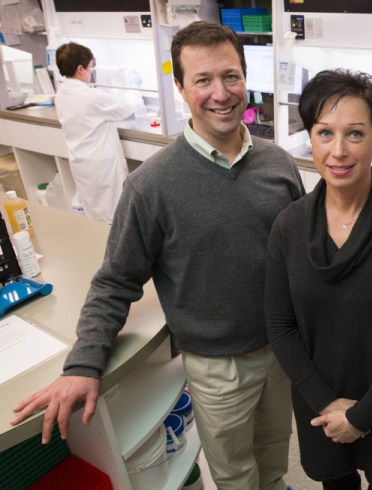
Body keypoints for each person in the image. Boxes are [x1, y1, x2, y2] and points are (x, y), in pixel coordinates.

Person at [11, 21, 304, 490]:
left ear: (247, 80)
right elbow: (115, 280)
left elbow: (299, 259)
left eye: (230, 76)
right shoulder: (152, 185)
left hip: (283, 352)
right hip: (217, 367)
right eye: (203, 80)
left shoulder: (279, 164)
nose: (220, 93)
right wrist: (84, 363)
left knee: (273, 455)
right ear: (181, 88)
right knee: (235, 474)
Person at [264, 69, 372, 490]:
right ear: (310, 137)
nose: (338, 151)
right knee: (336, 484)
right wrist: (329, 404)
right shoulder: (288, 226)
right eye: (324, 133)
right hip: (318, 402)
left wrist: (360, 416)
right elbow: (280, 325)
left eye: (356, 134)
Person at [54, 42, 143, 223]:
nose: (91, 70)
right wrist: (134, 89)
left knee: (95, 212)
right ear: (80, 69)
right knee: (114, 215)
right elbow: (124, 107)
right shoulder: (90, 97)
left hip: (81, 163)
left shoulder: (61, 94)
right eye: (90, 67)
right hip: (101, 166)